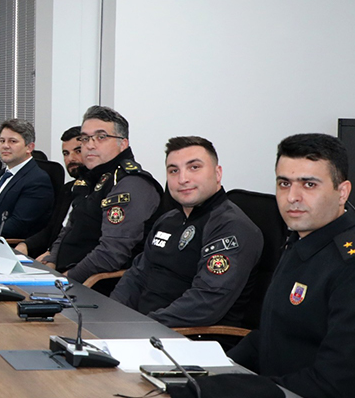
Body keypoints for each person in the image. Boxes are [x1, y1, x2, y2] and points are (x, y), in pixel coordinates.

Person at [228, 134, 355, 398]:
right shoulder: (303, 241)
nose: (292, 197)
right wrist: (220, 369)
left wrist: (241, 391)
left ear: (343, 192)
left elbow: (334, 386)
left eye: (309, 184)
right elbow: (271, 334)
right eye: (284, 183)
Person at [110, 137, 263, 328]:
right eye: (174, 171)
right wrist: (110, 316)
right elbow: (137, 276)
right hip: (144, 327)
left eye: (194, 167)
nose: (183, 179)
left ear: (217, 173)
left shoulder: (231, 227)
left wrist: (142, 326)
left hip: (188, 336)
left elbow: (205, 302)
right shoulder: (168, 220)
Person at [42, 106, 163, 285]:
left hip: (96, 285)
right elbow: (69, 229)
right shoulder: (91, 179)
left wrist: (64, 280)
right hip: (66, 276)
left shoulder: (129, 183)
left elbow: (111, 254)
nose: (89, 145)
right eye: (85, 138)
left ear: (123, 143)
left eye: (101, 137)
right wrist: (51, 260)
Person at [19, 126, 84, 257]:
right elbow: (51, 230)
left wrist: (51, 256)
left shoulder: (97, 191)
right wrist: (25, 245)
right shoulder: (67, 189)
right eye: (66, 153)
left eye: (78, 151)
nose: (71, 158)